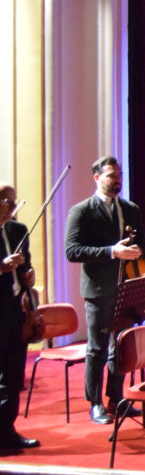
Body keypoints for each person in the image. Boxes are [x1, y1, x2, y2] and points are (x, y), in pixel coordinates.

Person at [64, 156, 145, 425]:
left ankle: (116, 398)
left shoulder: (130, 209)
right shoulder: (82, 211)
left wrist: (137, 250)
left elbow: (143, 244)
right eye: (111, 175)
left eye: (119, 174)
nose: (117, 180)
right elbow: (73, 251)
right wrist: (112, 251)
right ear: (97, 177)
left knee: (120, 347)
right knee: (97, 348)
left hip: (126, 287)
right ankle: (95, 403)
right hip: (99, 289)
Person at [0, 182, 40, 449]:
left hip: (17, 311)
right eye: (7, 201)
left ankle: (7, 431)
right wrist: (1, 267)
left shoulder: (18, 230)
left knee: (13, 376)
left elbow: (27, 265)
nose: (13, 206)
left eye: (15, 201)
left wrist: (29, 275)